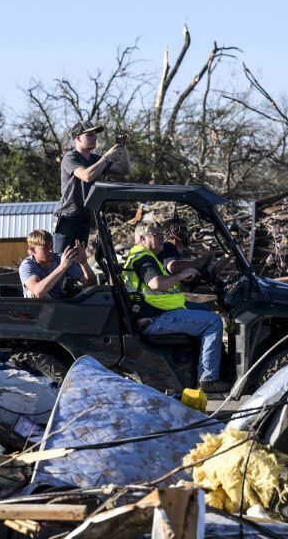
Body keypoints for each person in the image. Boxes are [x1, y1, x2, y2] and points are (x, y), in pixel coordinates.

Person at [122, 222, 229, 392]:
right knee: (214, 322)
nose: (161, 238)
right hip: (155, 318)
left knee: (205, 313)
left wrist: (182, 279)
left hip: (157, 313)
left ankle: (207, 368)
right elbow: (157, 284)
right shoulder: (144, 257)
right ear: (142, 238)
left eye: (161, 234)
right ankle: (208, 380)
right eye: (156, 235)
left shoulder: (144, 256)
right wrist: (180, 275)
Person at [53, 120, 131, 253]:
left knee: (79, 261)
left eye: (95, 134)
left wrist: (122, 147)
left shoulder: (95, 159)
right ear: (77, 138)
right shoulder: (70, 158)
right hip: (67, 218)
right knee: (60, 260)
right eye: (89, 135)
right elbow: (86, 175)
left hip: (84, 218)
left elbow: (124, 169)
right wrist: (106, 157)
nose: (95, 137)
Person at [19, 229, 96, 299]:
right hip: (42, 309)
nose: (50, 251)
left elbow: (91, 283)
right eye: (45, 248)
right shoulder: (27, 266)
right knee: (32, 294)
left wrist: (84, 263)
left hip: (61, 303)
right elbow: (38, 292)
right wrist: (62, 267)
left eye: (51, 246)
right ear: (33, 250)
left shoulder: (61, 259)